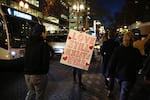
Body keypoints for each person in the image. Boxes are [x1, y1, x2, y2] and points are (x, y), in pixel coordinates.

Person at [106, 31, 142, 100]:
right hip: (129, 76)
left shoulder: (117, 50)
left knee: (123, 90)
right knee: (124, 93)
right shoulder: (135, 51)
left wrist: (108, 74)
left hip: (118, 75)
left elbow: (112, 63)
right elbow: (139, 65)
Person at [24, 24, 50, 100]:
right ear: (42, 33)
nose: (46, 34)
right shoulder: (43, 44)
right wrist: (44, 72)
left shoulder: (28, 43)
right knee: (39, 95)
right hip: (38, 75)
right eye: (45, 32)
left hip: (27, 74)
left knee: (31, 92)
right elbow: (45, 61)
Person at [100, 31, 119, 97]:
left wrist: (105, 55)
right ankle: (110, 90)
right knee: (112, 76)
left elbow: (102, 52)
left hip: (106, 61)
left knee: (106, 73)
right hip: (114, 61)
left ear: (108, 36)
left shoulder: (105, 43)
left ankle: (106, 85)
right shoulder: (116, 43)